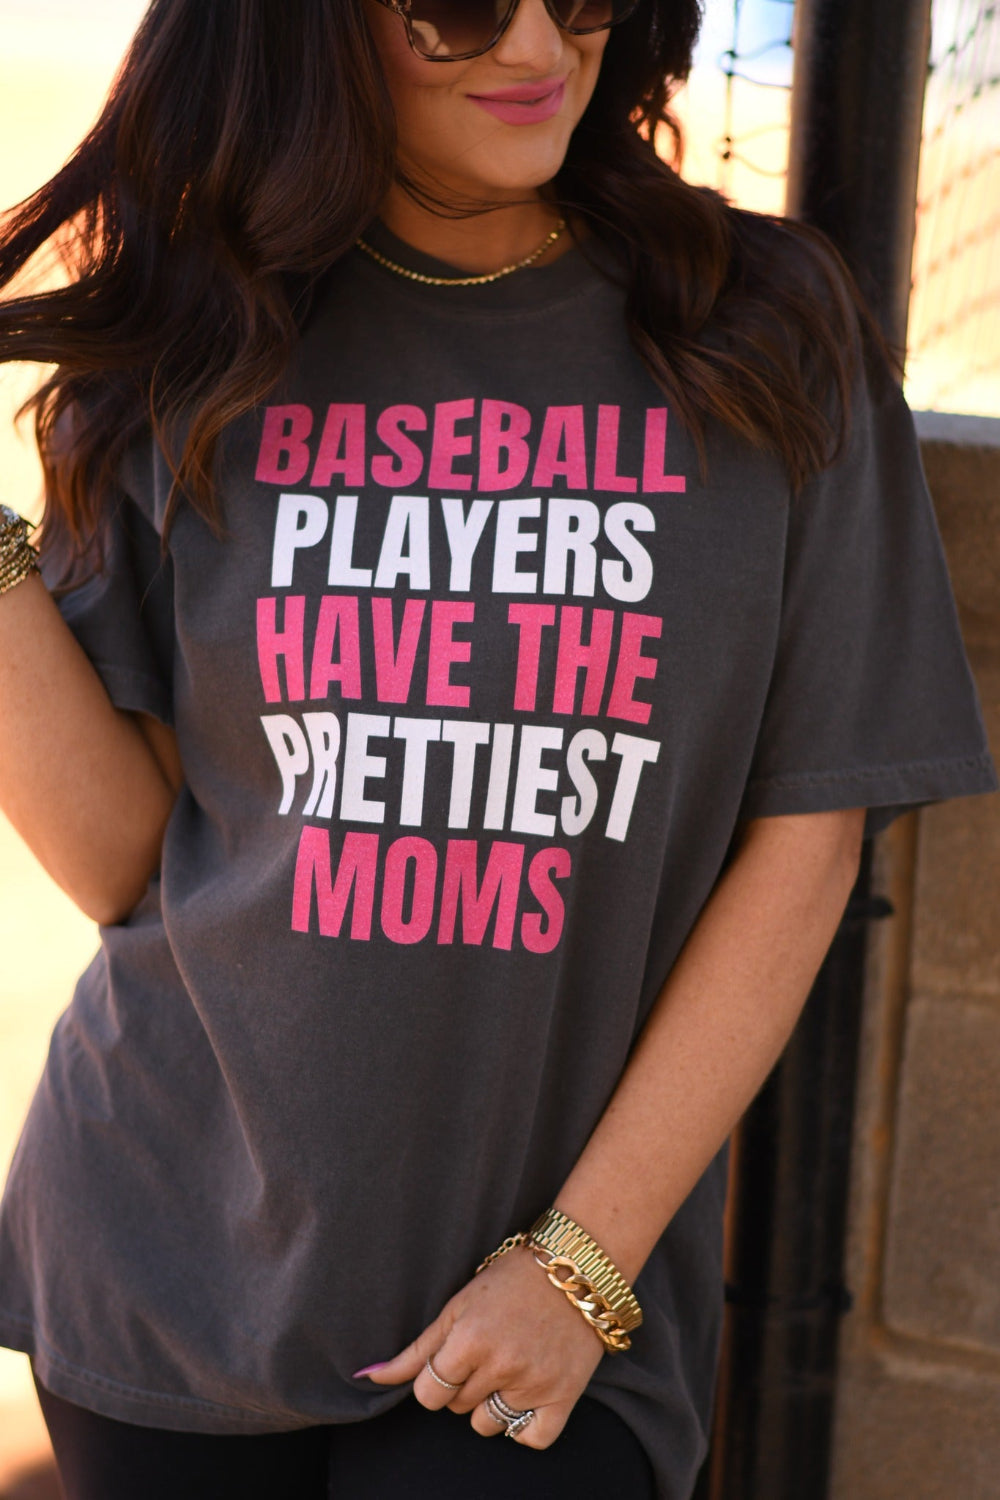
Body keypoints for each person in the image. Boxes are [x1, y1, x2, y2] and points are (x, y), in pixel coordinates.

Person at [0, 1, 995, 1497]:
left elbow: (806, 841)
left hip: (551, 1311)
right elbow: (125, 860)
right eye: (460, 5)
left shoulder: (761, 325)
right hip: (161, 1261)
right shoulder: (203, 337)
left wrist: (580, 1268)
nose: (538, 45)